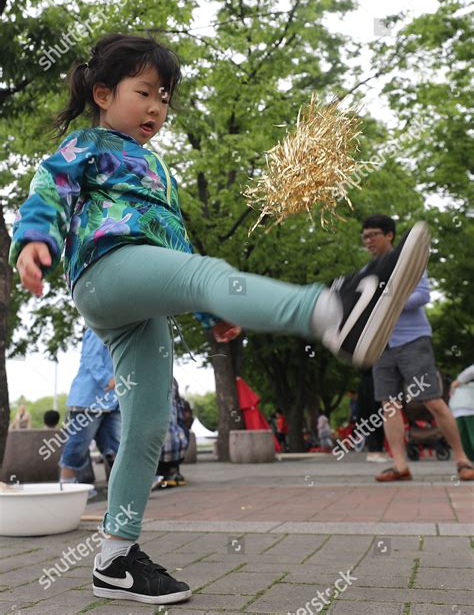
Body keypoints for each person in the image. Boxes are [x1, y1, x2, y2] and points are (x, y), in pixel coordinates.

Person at [9, 33, 430, 606]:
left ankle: (114, 558)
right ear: (104, 94)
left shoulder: (158, 168)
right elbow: (48, 187)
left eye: (165, 97)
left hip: (142, 300)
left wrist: (215, 310)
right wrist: (33, 239)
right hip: (105, 271)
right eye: (145, 93)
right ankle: (331, 310)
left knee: (147, 424)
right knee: (205, 271)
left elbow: (178, 246)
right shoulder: (88, 144)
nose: (157, 107)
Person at [359, 215, 474, 482]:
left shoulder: (409, 261)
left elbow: (423, 295)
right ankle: (400, 465)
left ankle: (462, 460)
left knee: (432, 399)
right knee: (389, 405)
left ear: (390, 235)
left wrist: (388, 300)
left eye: (373, 234)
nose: (368, 241)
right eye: (364, 237)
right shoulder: (368, 271)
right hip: (381, 344)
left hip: (413, 341)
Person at [59, 328, 121, 488]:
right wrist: (108, 379)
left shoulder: (120, 329)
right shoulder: (98, 328)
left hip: (112, 400)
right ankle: (66, 483)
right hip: (88, 399)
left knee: (116, 444)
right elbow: (91, 358)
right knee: (79, 444)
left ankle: (126, 484)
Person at [152, 378, 189, 489]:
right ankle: (172, 471)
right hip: (177, 443)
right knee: (178, 434)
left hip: (156, 447)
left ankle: (163, 472)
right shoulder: (171, 380)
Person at [356, 370, 387, 462]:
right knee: (376, 417)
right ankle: (376, 450)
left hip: (367, 383)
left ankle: (373, 450)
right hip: (375, 383)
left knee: (370, 419)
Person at [449, 364, 474, 462]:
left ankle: (468, 459)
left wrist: (457, 382)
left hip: (458, 406)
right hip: (467, 406)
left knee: (464, 437)